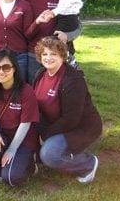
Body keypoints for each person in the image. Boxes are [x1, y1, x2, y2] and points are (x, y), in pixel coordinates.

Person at [33, 36, 102, 184]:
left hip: (80, 127)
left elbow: (71, 119)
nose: (48, 58)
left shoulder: (73, 79)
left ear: (62, 56)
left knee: (49, 155)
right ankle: (61, 151)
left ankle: (88, 164)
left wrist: (45, 135)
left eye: (53, 54)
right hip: (55, 125)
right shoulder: (40, 75)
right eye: (45, 54)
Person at [19, 0, 81, 84]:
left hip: (57, 53)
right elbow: (25, 32)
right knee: (34, 90)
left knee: (59, 91)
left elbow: (78, 25)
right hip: (34, 54)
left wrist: (67, 36)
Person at [0, 50, 39, 185]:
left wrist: (12, 149)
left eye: (6, 67)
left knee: (11, 178)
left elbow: (25, 124)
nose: (1, 72)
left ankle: (31, 163)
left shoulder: (26, 91)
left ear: (14, 69)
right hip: (3, 136)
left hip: (23, 140)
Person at [44, 0, 84, 66]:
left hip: (68, 19)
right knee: (62, 39)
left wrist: (53, 13)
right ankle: (69, 54)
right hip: (66, 18)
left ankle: (69, 57)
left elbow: (63, 6)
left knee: (58, 38)